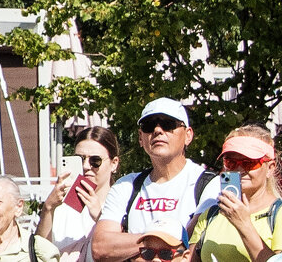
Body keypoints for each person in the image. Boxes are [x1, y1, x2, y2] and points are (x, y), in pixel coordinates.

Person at [92, 98, 219, 262]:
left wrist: (130, 243)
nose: (158, 130)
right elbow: (100, 248)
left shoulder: (208, 184)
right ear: (140, 137)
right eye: (149, 126)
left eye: (168, 124)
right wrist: (167, 243)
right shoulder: (126, 185)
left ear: (188, 135)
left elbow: (193, 251)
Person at [188, 126, 282, 262]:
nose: (240, 169)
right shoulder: (210, 215)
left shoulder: (278, 214)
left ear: (270, 168)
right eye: (231, 163)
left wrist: (243, 224)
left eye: (249, 163)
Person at [36, 127, 121, 262]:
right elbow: (40, 254)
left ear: (114, 163)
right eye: (80, 159)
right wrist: (48, 209)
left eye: (95, 161)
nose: (86, 166)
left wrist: (100, 218)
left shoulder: (123, 203)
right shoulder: (61, 208)